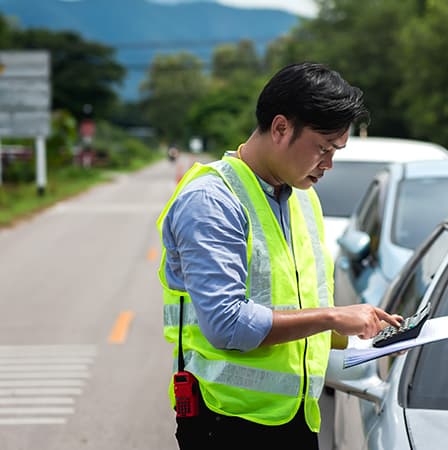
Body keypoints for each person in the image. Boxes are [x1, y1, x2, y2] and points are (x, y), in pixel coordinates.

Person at [156, 62, 403, 449]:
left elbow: (296, 305)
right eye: (322, 149)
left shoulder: (303, 199)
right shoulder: (212, 201)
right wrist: (334, 316)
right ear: (281, 128)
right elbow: (227, 325)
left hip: (295, 416)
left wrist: (359, 333)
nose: (329, 164)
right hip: (227, 423)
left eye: (336, 151)